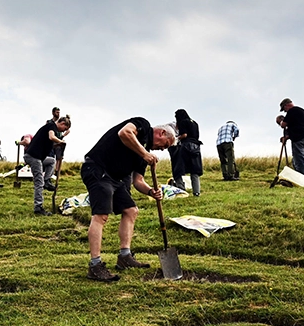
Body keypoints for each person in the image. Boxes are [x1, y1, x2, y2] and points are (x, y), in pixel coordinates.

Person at [80, 118, 174, 282]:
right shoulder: (142, 126)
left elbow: (138, 181)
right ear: (161, 133)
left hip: (116, 179)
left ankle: (125, 257)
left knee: (131, 211)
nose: (162, 149)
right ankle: (95, 266)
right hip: (97, 169)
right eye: (164, 145)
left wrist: (151, 192)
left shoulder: (143, 155)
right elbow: (124, 133)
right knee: (101, 215)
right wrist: (144, 153)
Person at [25, 115, 71, 215]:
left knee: (51, 161)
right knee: (38, 182)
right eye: (65, 129)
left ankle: (47, 180)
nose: (63, 131)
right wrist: (61, 141)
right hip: (33, 157)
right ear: (62, 124)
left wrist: (59, 144)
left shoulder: (52, 129)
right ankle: (38, 207)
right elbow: (51, 137)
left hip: (39, 157)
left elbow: (50, 142)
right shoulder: (51, 126)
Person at [276, 99, 304, 177]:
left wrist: (280, 121)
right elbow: (296, 127)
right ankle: (299, 177)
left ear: (286, 105)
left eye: (284, 109)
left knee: (299, 161)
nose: (285, 111)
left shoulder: (292, 111)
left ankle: (303, 178)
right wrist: (286, 137)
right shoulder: (302, 111)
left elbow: (283, 125)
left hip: (298, 139)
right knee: (297, 160)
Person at [175, 109, 203, 196]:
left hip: (186, 146)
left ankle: (181, 189)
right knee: (194, 170)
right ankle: (196, 191)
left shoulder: (183, 122)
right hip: (196, 147)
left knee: (178, 168)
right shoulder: (195, 123)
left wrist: (176, 138)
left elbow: (184, 135)